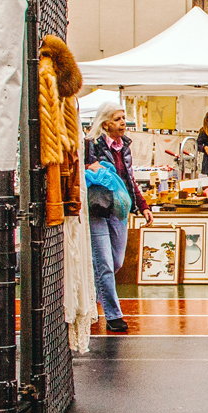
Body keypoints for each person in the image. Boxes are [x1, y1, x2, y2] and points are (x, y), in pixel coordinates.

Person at [85, 105, 146, 334]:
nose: (123, 122)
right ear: (105, 123)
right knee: (105, 265)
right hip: (98, 209)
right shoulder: (91, 145)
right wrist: (92, 168)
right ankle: (113, 315)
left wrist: (142, 205)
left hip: (119, 209)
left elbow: (129, 178)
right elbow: (82, 170)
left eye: (124, 118)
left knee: (115, 262)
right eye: (118, 119)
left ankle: (89, 300)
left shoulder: (124, 147)